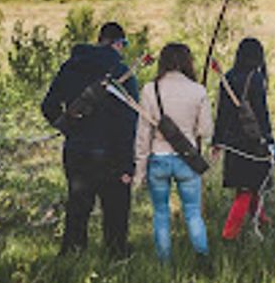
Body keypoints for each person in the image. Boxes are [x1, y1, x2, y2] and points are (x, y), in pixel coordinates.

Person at [42, 22, 138, 257]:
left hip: (77, 150)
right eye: (123, 44)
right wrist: (128, 163)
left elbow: (48, 106)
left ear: (99, 40)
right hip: (112, 152)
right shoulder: (121, 72)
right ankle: (116, 258)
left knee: (78, 208)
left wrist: (68, 127)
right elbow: (129, 121)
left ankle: (73, 258)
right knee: (115, 210)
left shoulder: (70, 68)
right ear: (118, 43)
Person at [133, 43, 212, 262]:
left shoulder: (150, 89)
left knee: (160, 215)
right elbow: (205, 130)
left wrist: (139, 171)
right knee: (193, 213)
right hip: (187, 160)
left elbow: (143, 135)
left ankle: (164, 264)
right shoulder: (198, 90)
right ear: (187, 62)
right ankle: (202, 260)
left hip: (158, 159)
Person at [212, 37, 275, 240]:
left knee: (252, 184)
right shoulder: (255, 78)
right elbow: (261, 113)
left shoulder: (228, 77)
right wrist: (269, 140)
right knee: (246, 190)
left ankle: (262, 219)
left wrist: (217, 141)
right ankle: (229, 235)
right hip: (252, 142)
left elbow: (221, 113)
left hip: (233, 142)